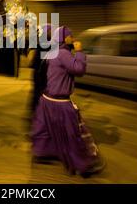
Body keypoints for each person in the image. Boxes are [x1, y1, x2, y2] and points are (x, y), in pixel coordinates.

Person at [31, 26, 105, 177]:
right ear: (65, 38)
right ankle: (83, 165)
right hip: (60, 102)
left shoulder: (52, 51)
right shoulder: (63, 53)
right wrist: (79, 52)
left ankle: (43, 153)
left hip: (47, 100)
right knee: (73, 134)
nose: (73, 39)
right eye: (71, 36)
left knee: (46, 130)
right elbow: (79, 69)